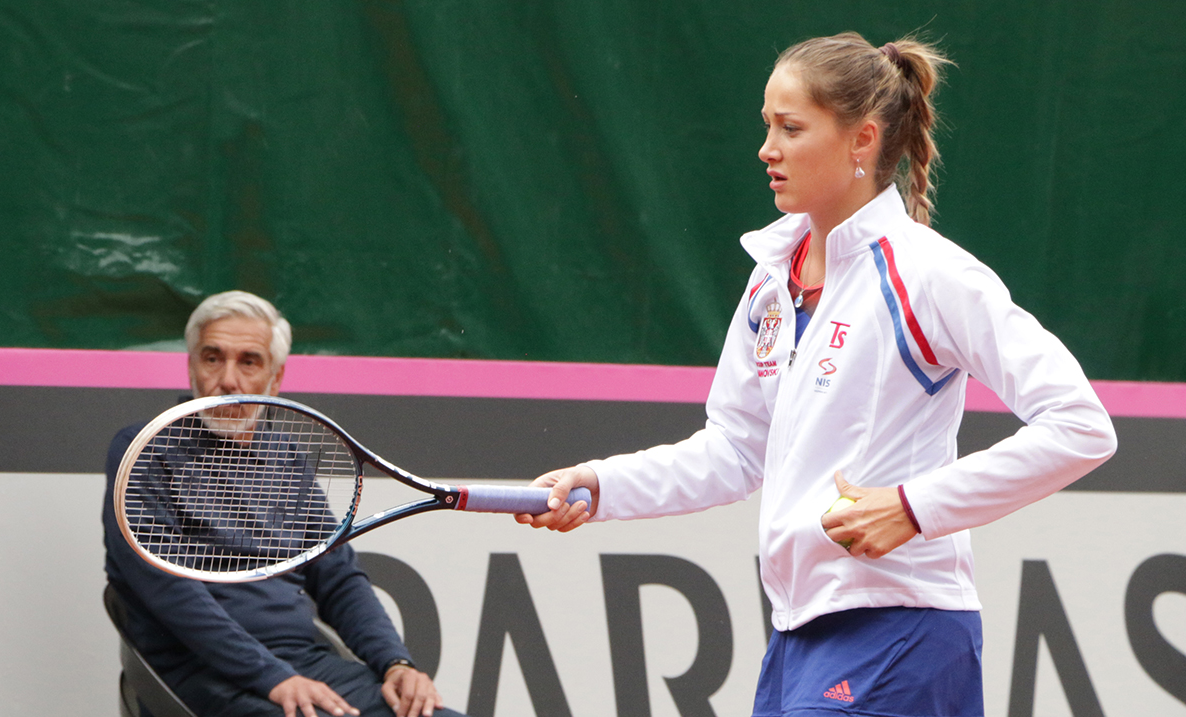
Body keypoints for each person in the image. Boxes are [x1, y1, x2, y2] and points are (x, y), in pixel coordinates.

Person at [516, 32, 1116, 717]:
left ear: (862, 140)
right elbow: (735, 449)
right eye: (767, 126)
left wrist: (915, 506)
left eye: (791, 128)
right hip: (797, 638)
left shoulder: (931, 274)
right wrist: (601, 484)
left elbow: (1080, 426)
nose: (767, 149)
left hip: (904, 629)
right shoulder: (771, 281)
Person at [103, 290, 464, 717]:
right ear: (191, 366)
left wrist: (395, 662)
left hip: (306, 665)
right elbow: (169, 592)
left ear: (274, 379)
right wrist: (272, 678)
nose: (228, 380)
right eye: (212, 358)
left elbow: (338, 578)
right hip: (200, 674)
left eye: (249, 362)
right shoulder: (142, 451)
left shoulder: (287, 458)